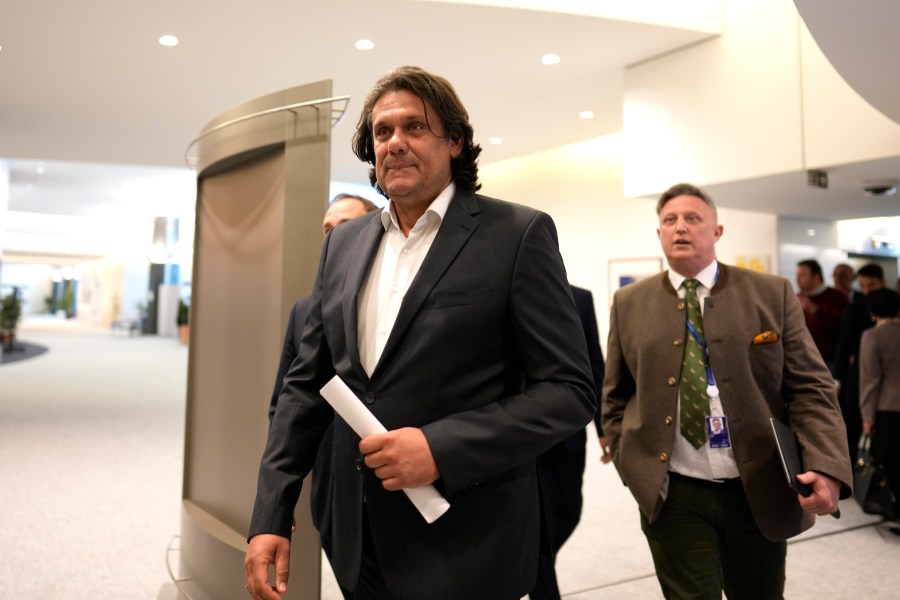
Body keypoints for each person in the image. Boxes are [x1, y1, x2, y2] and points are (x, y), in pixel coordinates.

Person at [245, 65, 596, 600]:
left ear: (455, 140)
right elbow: (305, 384)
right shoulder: (343, 245)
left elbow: (569, 392)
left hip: (467, 541)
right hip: (356, 538)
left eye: (414, 127)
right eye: (383, 132)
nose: (395, 143)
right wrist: (272, 509)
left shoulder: (518, 234)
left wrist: (440, 447)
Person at [602, 182, 851, 599]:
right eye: (670, 220)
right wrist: (633, 466)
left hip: (758, 487)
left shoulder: (770, 293)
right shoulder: (629, 302)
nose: (680, 227)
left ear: (716, 231)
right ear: (659, 233)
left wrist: (827, 464)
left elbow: (811, 388)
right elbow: (614, 394)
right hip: (674, 491)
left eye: (693, 218)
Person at [268, 193, 378, 572]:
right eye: (327, 229)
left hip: (399, 479)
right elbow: (286, 402)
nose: (333, 237)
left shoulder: (393, 299)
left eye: (344, 226)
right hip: (332, 489)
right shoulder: (304, 310)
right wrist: (279, 496)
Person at [531, 284, 607, 600]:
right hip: (524, 437)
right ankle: (539, 577)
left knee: (569, 512)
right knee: (539, 526)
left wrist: (603, 427)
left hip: (569, 433)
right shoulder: (503, 289)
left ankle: (533, 566)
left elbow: (594, 365)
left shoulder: (580, 298)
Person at [832, 263, 886, 465]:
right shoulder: (855, 308)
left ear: (883, 282)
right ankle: (853, 469)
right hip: (858, 375)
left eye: (871, 285)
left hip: (887, 376)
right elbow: (844, 345)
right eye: (862, 285)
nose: (867, 290)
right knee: (852, 422)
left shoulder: (892, 304)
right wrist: (837, 378)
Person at [858, 287, 900, 520]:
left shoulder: (872, 336)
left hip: (888, 407)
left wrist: (866, 416)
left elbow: (870, 379)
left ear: (872, 311)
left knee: (893, 462)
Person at [796, 258, 849, 367]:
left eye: (802, 275)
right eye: (797, 275)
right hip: (802, 359)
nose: (797, 279)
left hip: (829, 360)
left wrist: (816, 311)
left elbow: (842, 328)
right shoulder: (796, 298)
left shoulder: (837, 297)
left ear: (816, 277)